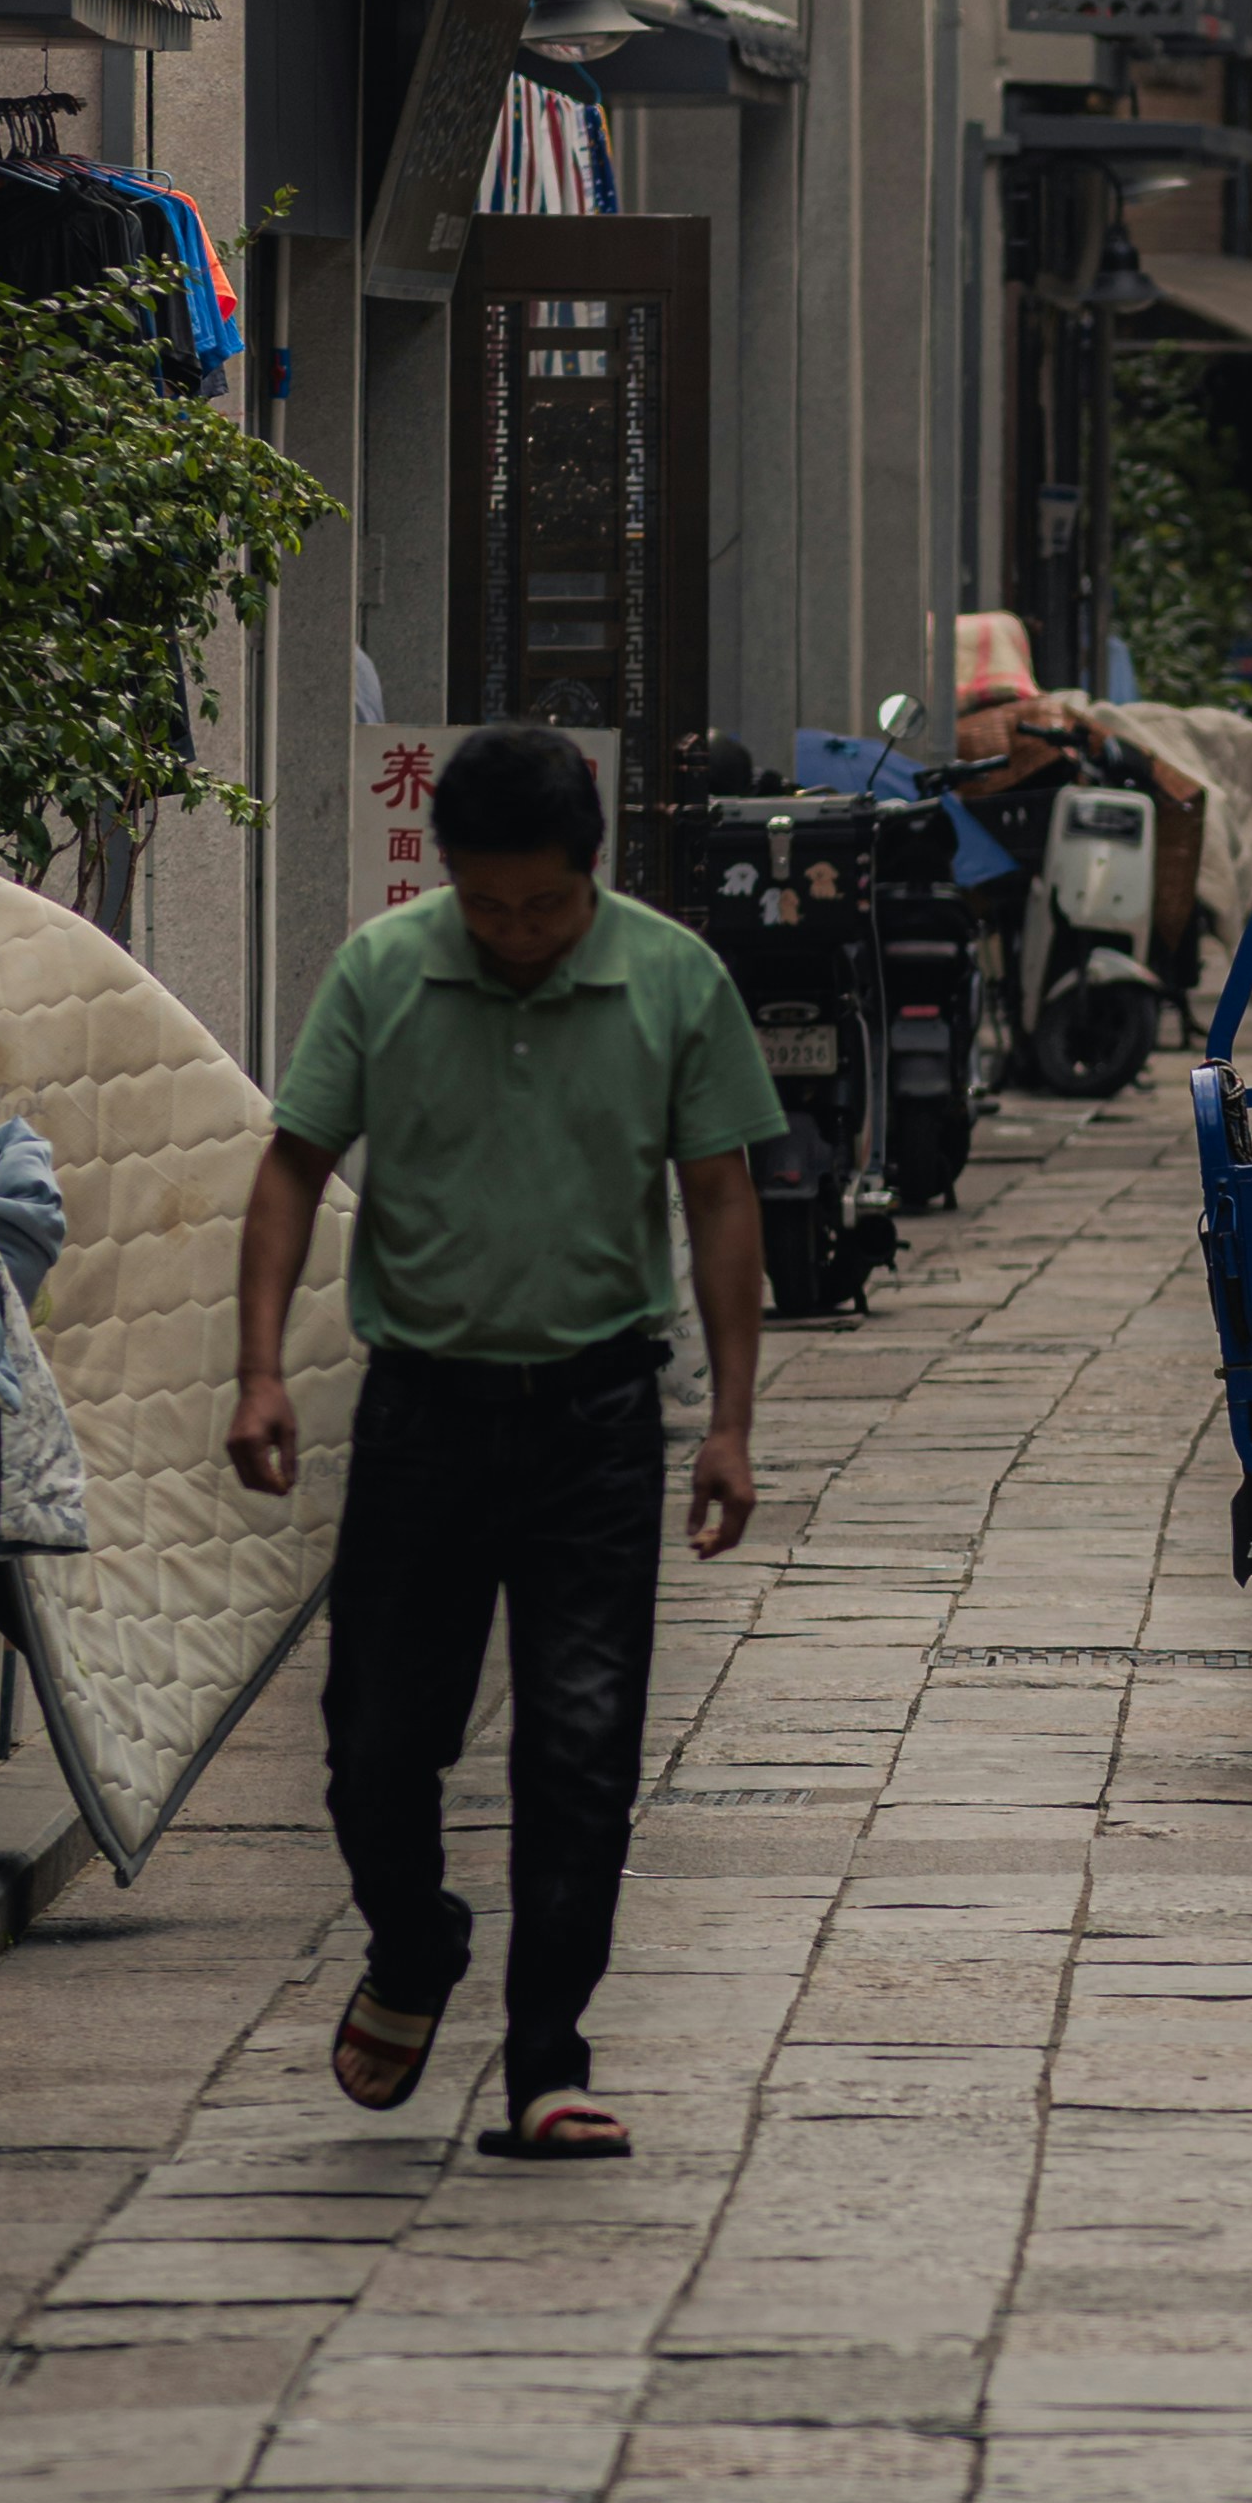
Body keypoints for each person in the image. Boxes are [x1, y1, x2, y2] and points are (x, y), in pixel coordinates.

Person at [222, 717, 779, 2161]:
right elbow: (292, 1167)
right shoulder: (385, 972)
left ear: (589, 876)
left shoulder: (671, 979)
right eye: (487, 904)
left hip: (598, 1418)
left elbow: (721, 1200)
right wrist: (259, 1371)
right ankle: (413, 1948)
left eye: (542, 905)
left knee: (580, 1748)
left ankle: (548, 2061)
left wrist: (728, 1422)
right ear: (447, 874)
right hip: (421, 1412)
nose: (517, 933)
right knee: (371, 1746)